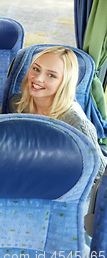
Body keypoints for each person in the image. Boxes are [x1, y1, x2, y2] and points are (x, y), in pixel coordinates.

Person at [9, 46, 106, 178]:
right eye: (36, 69)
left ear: (64, 83)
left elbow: (99, 174)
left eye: (51, 75)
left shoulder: (75, 122)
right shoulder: (17, 104)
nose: (38, 78)